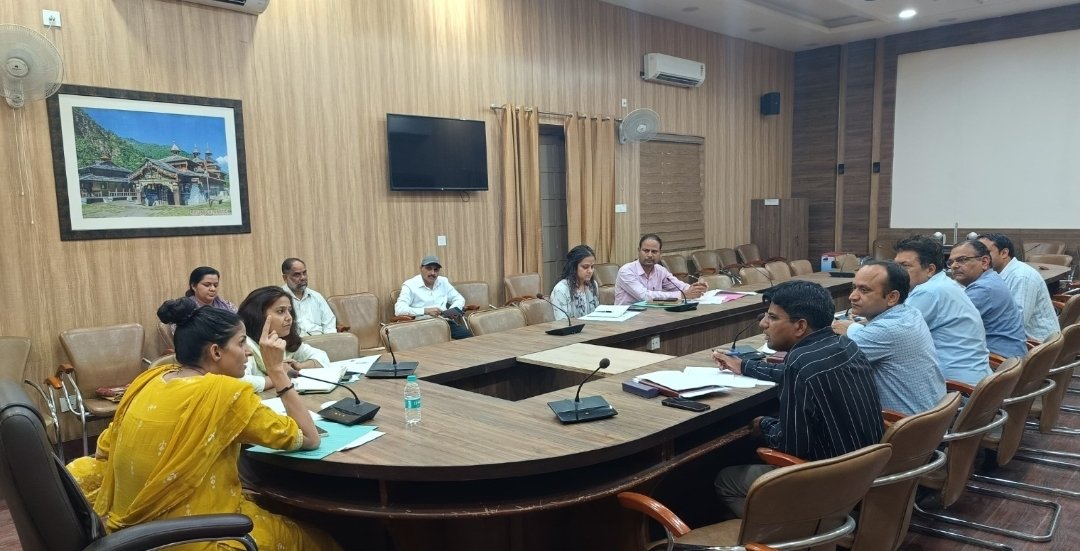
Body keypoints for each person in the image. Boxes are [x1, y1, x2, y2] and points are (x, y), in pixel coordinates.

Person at [66, 298, 341, 550]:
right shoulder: (224, 394)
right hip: (192, 536)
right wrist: (277, 370)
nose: (248, 352)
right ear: (216, 352)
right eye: (241, 343)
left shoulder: (148, 379)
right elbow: (309, 438)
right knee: (319, 540)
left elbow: (104, 449)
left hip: (132, 531)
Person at [710, 280, 884, 518]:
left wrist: (765, 424)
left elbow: (793, 447)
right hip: (864, 472)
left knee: (726, 480)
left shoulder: (799, 362)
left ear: (800, 326)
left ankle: (794, 531)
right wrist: (744, 366)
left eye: (772, 317)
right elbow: (791, 373)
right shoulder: (843, 344)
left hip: (828, 480)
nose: (763, 324)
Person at [832, 261, 946, 415]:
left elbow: (827, 364)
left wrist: (849, 329)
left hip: (898, 424)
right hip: (930, 418)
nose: (852, 296)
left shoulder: (886, 330)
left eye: (864, 290)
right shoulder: (911, 313)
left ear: (892, 297)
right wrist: (856, 327)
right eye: (854, 288)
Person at [894, 236, 991, 385]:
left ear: (930, 269)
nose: (895, 273)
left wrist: (857, 326)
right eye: (895, 266)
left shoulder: (929, 291)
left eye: (904, 266)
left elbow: (893, 336)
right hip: (974, 380)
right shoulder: (944, 283)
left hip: (955, 388)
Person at [238, 286, 331, 392]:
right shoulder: (246, 345)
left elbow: (322, 357)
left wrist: (299, 366)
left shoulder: (285, 339)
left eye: (289, 311)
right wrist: (281, 374)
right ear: (258, 315)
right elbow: (240, 382)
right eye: (280, 311)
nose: (289, 317)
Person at [948, 239, 1028, 359]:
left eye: (962, 260)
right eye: (950, 262)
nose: (954, 266)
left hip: (998, 361)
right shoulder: (991, 278)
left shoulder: (983, 288)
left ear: (984, 262)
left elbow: (949, 326)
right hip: (1007, 356)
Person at [978, 233, 1059, 342]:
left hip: (1037, 344)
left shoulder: (1021, 276)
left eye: (985, 253)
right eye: (977, 254)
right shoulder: (996, 274)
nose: (981, 259)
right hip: (1019, 339)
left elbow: (1016, 324)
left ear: (1004, 253)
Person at [614, 234, 708, 305]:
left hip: (652, 315)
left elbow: (679, 286)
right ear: (639, 251)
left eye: (654, 251)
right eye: (646, 251)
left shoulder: (660, 270)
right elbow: (644, 296)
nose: (650, 255)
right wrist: (682, 295)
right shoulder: (626, 271)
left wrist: (697, 288)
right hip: (627, 318)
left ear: (660, 253)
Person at [395, 255, 472, 339]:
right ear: (421, 268)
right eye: (429, 268)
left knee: (469, 337)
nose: (433, 273)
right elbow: (399, 310)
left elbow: (459, 299)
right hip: (422, 325)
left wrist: (451, 312)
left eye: (436, 270)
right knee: (437, 341)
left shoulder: (443, 282)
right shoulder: (410, 285)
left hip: (444, 322)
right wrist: (425, 311)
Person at [281, 257, 337, 336]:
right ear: (285, 278)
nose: (303, 278)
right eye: (297, 275)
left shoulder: (316, 296)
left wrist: (330, 340)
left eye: (304, 273)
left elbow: (329, 324)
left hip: (320, 339)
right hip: (295, 341)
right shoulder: (279, 299)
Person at [550, 244, 600, 320]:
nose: (590, 271)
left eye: (592, 267)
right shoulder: (561, 290)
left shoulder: (593, 285)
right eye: (585, 267)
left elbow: (597, 315)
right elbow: (562, 322)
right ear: (574, 267)